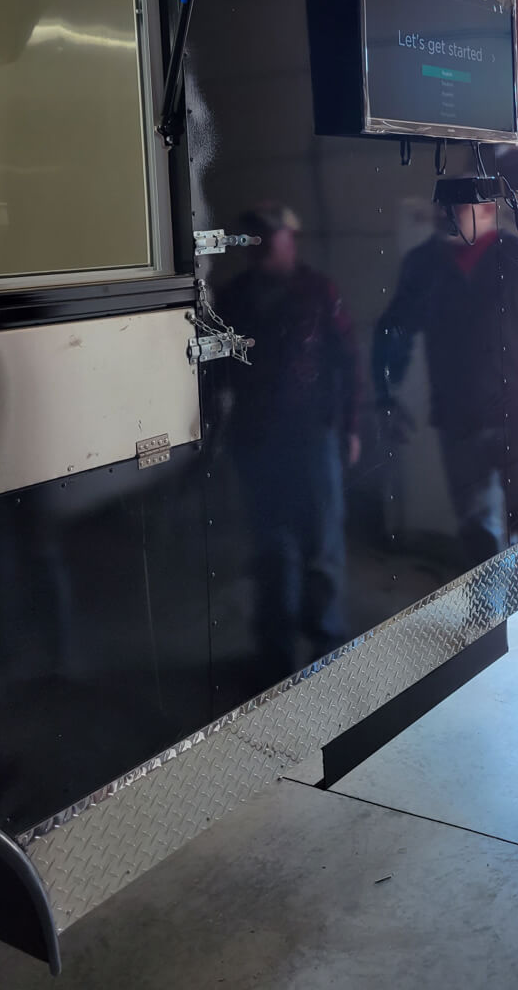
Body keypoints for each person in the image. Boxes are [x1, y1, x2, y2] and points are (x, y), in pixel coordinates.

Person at [374, 194, 518, 567]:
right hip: (457, 417)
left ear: (488, 211)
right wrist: (386, 391)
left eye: (457, 209)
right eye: (442, 209)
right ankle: (490, 611)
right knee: (476, 521)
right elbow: (394, 331)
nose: (445, 217)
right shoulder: (424, 264)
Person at [219, 203, 360, 679]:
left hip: (312, 440)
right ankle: (274, 658)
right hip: (256, 442)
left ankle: (328, 650)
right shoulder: (233, 297)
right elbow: (215, 372)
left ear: (290, 240)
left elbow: (349, 364)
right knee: (270, 551)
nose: (259, 245)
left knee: (321, 547)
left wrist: (351, 427)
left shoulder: (319, 292)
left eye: (269, 236)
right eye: (253, 237)